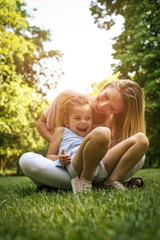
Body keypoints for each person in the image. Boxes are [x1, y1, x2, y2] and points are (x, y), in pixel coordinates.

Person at [19, 80, 149, 191]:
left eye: (113, 108)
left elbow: (109, 155)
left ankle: (108, 182)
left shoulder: (115, 122)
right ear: (105, 87)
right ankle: (92, 184)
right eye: (107, 96)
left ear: (119, 112)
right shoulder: (69, 99)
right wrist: (59, 146)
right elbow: (41, 124)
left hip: (99, 167)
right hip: (70, 165)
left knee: (140, 152)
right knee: (27, 159)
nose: (103, 105)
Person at [46, 95, 111, 193]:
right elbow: (49, 156)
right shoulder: (61, 131)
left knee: (137, 139)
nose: (83, 122)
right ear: (67, 122)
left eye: (88, 118)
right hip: (75, 163)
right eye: (77, 118)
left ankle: (111, 182)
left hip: (96, 167)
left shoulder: (92, 135)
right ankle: (84, 179)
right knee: (103, 132)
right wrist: (59, 158)